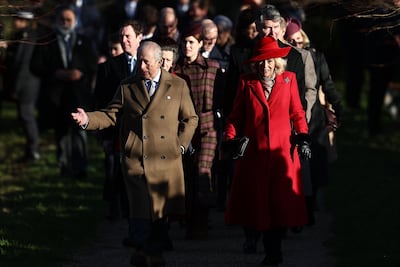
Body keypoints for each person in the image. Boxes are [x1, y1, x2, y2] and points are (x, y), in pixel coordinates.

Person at [71, 40, 198, 267]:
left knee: (159, 212)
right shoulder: (128, 86)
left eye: (146, 62)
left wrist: (179, 145)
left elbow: (191, 119)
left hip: (166, 160)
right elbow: (110, 115)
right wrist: (88, 119)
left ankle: (150, 251)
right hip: (136, 159)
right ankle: (144, 248)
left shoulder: (177, 86)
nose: (141, 67)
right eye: (139, 61)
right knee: (140, 208)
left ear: (160, 62)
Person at [224, 36, 311, 266]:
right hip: (255, 154)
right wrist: (231, 139)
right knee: (258, 204)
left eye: (269, 61)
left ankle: (275, 252)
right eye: (261, 62)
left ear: (277, 63)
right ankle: (263, 247)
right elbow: (235, 117)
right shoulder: (246, 82)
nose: (265, 66)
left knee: (280, 205)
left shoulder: (288, 80)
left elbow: (298, 113)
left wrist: (303, 138)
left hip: (283, 153)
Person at [285, 17, 344, 225]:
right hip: (292, 117)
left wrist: (338, 107)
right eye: (292, 40)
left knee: (316, 165)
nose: (297, 43)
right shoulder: (285, 60)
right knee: (300, 167)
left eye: (299, 39)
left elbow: (327, 84)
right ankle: (301, 209)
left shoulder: (317, 58)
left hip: (314, 118)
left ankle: (310, 207)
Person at [30, 5, 97, 178]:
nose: (65, 23)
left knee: (79, 131)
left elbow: (93, 65)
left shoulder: (84, 41)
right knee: (61, 132)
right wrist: (55, 72)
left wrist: (80, 73)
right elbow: (35, 65)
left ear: (75, 21)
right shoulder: (47, 40)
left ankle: (80, 166)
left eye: (69, 20)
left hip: (78, 94)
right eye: (62, 20)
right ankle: (64, 166)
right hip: (56, 96)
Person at [93, 20, 143, 240]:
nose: (124, 40)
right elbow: (101, 102)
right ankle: (116, 213)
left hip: (140, 131)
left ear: (140, 38)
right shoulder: (109, 67)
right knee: (114, 169)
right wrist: (103, 136)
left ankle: (134, 216)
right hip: (116, 130)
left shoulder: (148, 64)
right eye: (122, 37)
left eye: (128, 36)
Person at [174, 22, 220, 240]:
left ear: (201, 44)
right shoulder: (176, 71)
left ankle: (202, 222)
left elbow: (221, 98)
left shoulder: (212, 68)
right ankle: (190, 222)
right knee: (187, 177)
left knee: (203, 172)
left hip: (208, 128)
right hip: (184, 130)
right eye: (184, 42)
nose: (187, 46)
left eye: (192, 42)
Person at [3, 11, 41, 162]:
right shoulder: (21, 36)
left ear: (25, 21)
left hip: (26, 84)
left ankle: (33, 150)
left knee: (27, 117)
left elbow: (21, 64)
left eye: (17, 20)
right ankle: (31, 149)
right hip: (24, 83)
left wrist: (15, 87)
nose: (14, 22)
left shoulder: (28, 37)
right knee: (24, 117)